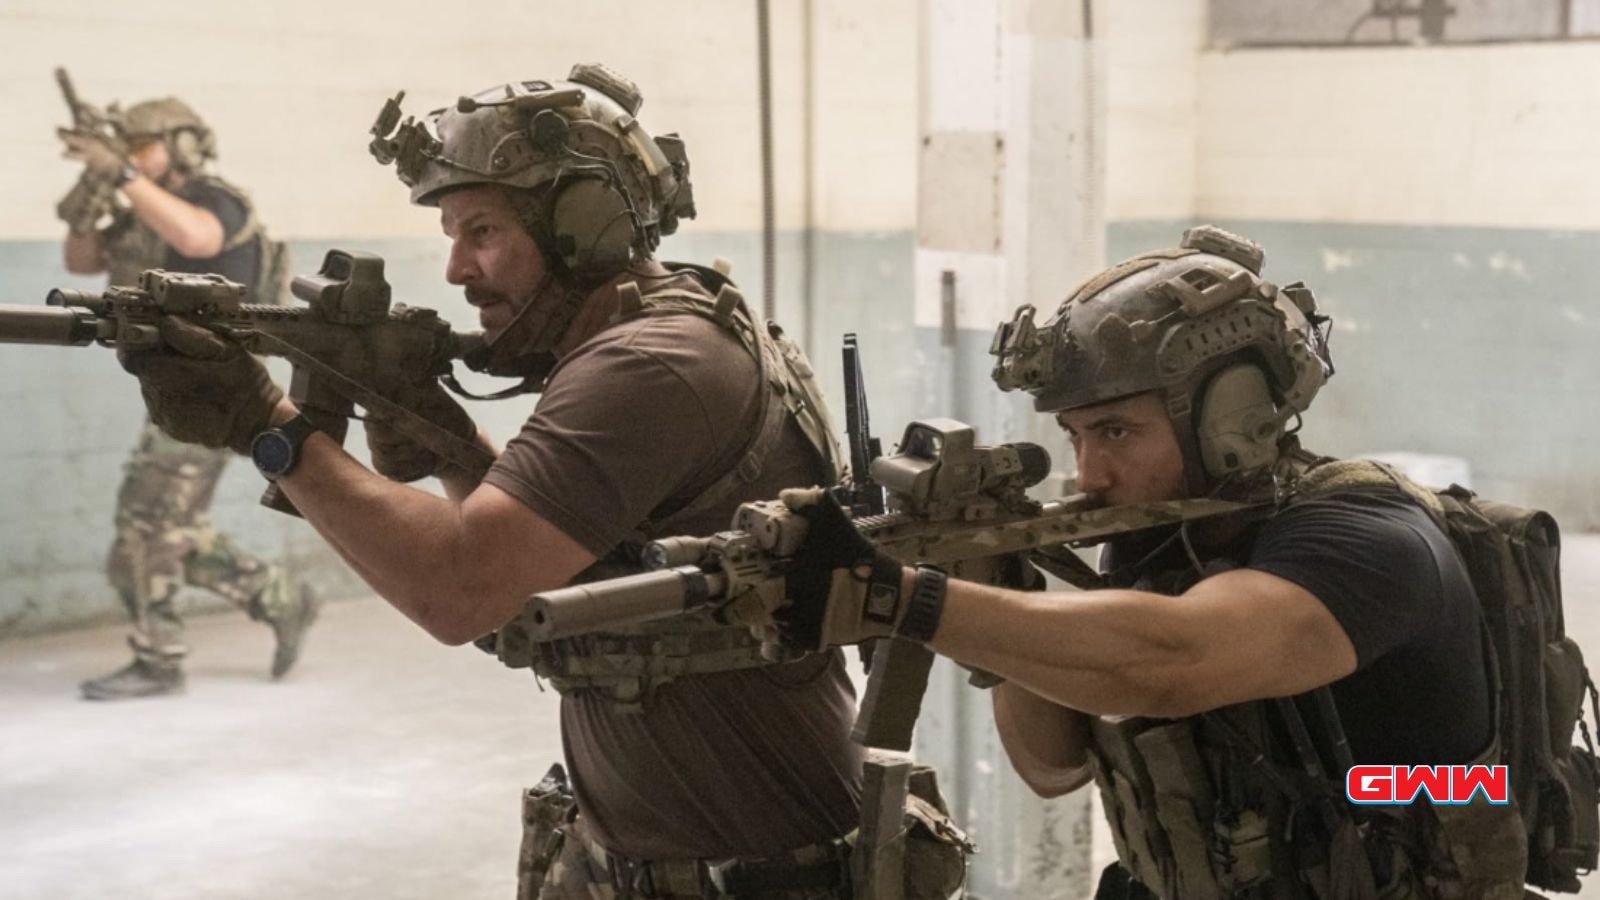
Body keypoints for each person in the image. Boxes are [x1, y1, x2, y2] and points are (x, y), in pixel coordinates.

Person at [115, 64, 963, 899]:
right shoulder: (658, 331)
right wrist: (451, 449)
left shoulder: (649, 364)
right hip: (676, 862)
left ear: (584, 228)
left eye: (481, 232)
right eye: (453, 235)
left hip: (762, 874)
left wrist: (269, 425)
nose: (455, 270)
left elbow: (462, 587)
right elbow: (558, 573)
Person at [773, 226, 1532, 899]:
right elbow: (1053, 764)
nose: (1090, 471)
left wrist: (903, 600)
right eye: (1075, 436)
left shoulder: (1367, 539)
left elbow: (1175, 661)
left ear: (1229, 413)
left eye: (1116, 432)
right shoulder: (1160, 540)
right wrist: (994, 579)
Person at [59, 96, 315, 701]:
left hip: (221, 386)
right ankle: (277, 594)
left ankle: (160, 659)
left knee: (145, 525)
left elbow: (198, 239)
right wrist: (92, 190)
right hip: (176, 387)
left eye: (142, 147)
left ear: (181, 145)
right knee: (167, 532)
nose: (134, 159)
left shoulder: (211, 198)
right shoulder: (142, 210)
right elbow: (81, 257)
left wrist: (119, 174)